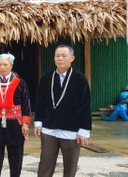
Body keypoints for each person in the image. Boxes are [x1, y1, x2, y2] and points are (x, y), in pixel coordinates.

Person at [34, 45, 92, 177]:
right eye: (57, 55)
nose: (60, 58)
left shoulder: (80, 79)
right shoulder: (46, 77)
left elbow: (85, 106)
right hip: (49, 129)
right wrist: (38, 122)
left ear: (72, 58)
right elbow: (40, 102)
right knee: (45, 165)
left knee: (70, 167)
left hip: (71, 130)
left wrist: (84, 130)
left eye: (64, 56)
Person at [0, 53, 31, 177]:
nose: (2, 67)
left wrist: (25, 123)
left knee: (16, 157)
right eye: (0, 65)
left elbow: (26, 104)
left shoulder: (20, 83)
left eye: (5, 64)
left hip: (15, 124)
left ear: (11, 65)